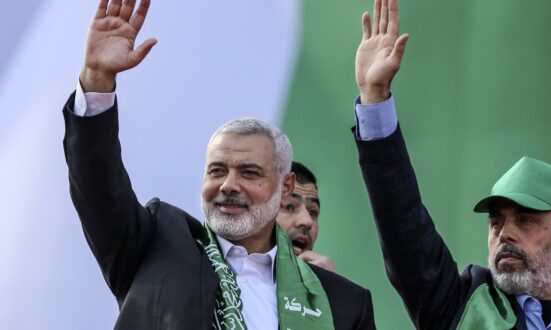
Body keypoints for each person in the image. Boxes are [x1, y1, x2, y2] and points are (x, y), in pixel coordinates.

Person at [62, 0, 375, 329]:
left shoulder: (341, 301)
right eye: (217, 171)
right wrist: (96, 80)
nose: (228, 185)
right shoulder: (156, 245)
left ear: (285, 188)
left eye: (249, 172)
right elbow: (98, 187)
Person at [351, 0, 551, 328]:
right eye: (496, 222)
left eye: (525, 220)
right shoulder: (460, 306)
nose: (505, 233)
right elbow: (404, 227)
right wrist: (374, 97)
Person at [277, 161, 336, 272]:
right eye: (289, 207)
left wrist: (330, 285)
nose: (307, 221)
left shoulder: (326, 283)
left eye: (312, 212)